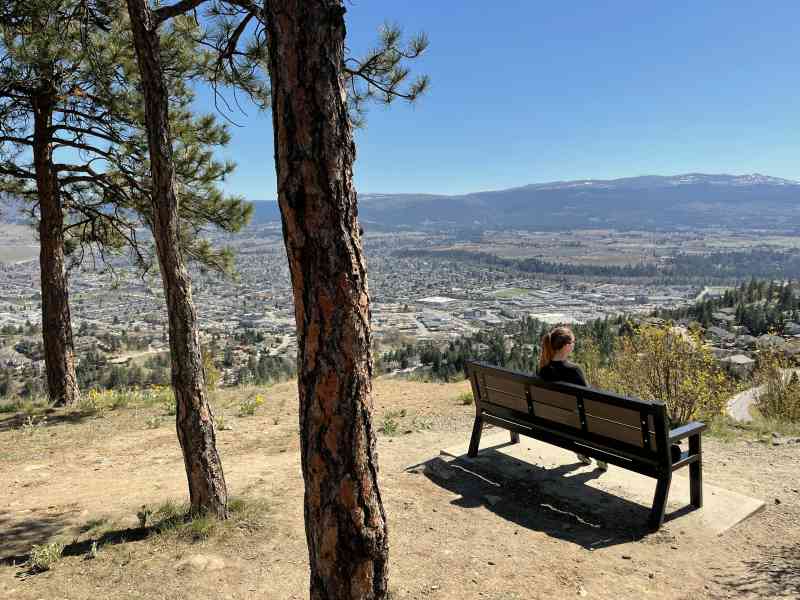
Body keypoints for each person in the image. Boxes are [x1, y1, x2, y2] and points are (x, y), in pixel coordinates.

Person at [537, 326, 608, 472]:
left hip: (550, 423)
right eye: (573, 342)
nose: (574, 345)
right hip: (574, 424)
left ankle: (582, 450)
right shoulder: (574, 370)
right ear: (567, 346)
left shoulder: (543, 369)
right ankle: (599, 453)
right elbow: (589, 401)